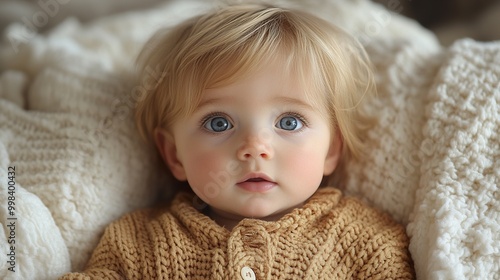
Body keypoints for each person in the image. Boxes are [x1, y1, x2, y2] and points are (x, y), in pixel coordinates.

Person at [61, 3, 414, 279]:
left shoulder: (367, 243)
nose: (254, 147)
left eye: (289, 122)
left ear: (332, 149)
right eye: (218, 123)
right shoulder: (138, 243)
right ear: (174, 155)